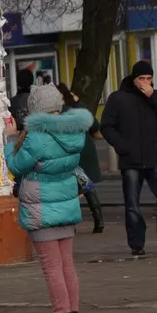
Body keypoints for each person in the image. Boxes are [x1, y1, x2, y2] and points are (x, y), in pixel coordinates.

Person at [5, 84, 93, 313]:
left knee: (51, 267)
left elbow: (15, 165)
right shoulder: (74, 132)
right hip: (66, 203)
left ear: (36, 109)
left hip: (41, 205)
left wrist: (10, 140)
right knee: (67, 266)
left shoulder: (36, 137)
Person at [100, 61, 157, 256]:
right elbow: (107, 126)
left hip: (155, 157)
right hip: (131, 160)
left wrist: (153, 96)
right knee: (132, 205)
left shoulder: (155, 97)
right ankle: (136, 244)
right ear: (133, 79)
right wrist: (122, 147)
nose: (145, 82)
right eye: (141, 78)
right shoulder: (118, 98)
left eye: (149, 79)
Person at [56, 83, 103, 233]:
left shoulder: (58, 113)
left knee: (71, 190)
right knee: (87, 186)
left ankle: (72, 224)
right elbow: (95, 125)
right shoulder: (79, 109)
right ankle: (99, 220)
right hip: (85, 149)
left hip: (70, 153)